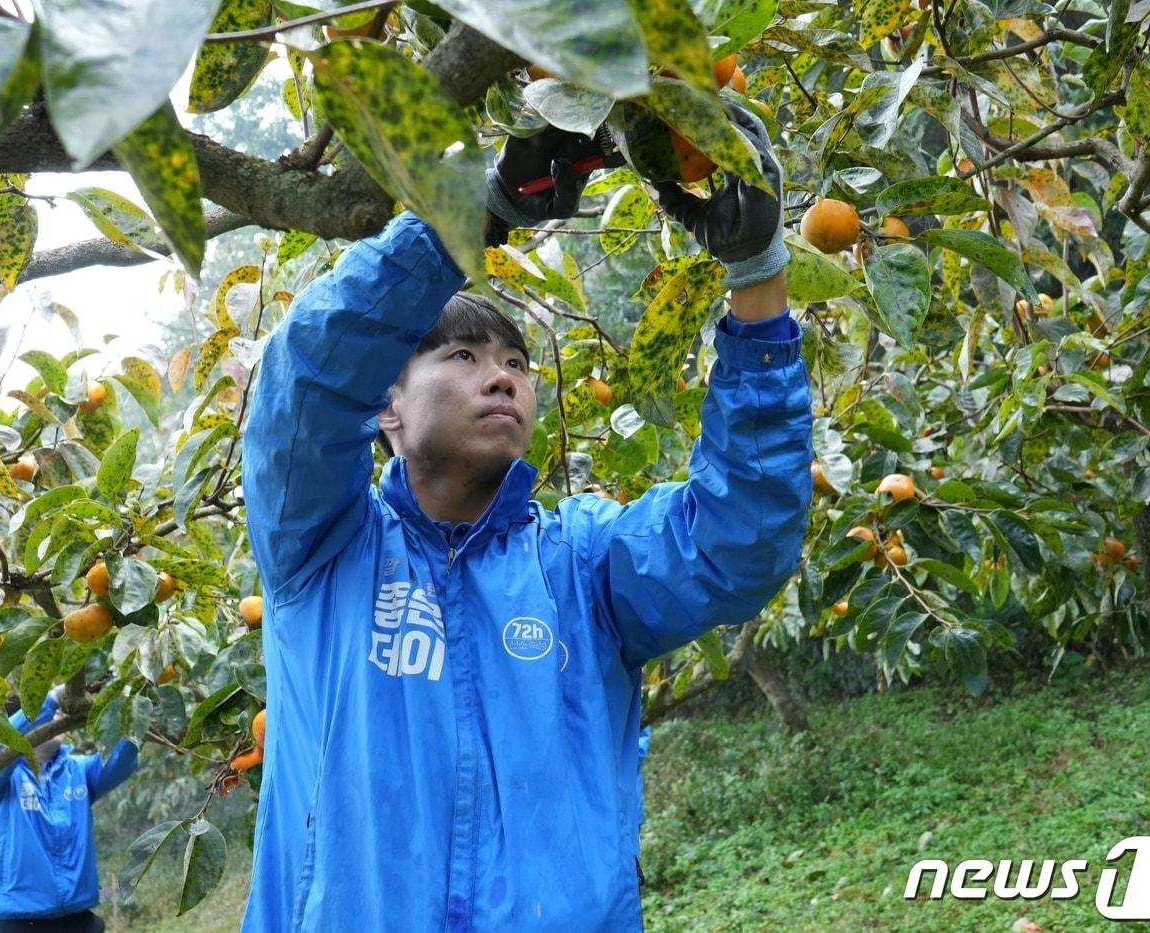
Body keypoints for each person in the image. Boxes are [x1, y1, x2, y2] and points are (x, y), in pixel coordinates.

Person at [239, 100, 810, 930]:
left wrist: (759, 272)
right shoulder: (321, 549)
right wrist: (477, 211)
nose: (501, 376)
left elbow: (739, 538)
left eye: (515, 361)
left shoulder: (581, 564)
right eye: (461, 356)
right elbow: (306, 380)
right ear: (385, 410)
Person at [0, 685, 141, 933]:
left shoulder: (78, 770)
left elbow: (123, 759)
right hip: (21, 922)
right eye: (44, 715)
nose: (56, 716)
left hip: (79, 919)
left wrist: (129, 700)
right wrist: (49, 700)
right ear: (23, 725)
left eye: (56, 713)